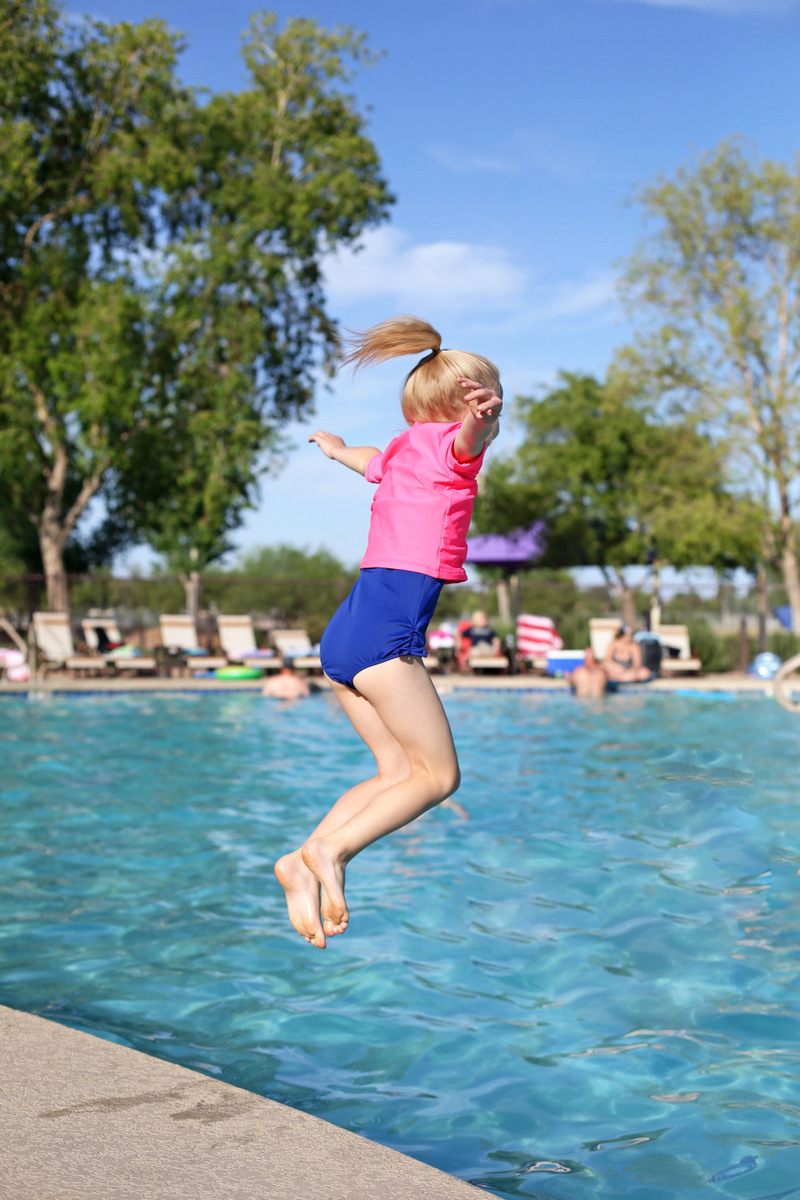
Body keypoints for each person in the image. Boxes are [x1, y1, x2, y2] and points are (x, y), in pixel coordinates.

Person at [274, 315, 502, 949]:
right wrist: (485, 418)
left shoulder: (401, 451)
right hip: (385, 633)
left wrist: (334, 447)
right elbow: (472, 440)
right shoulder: (455, 450)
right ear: (461, 402)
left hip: (345, 633)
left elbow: (365, 460)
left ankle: (300, 862)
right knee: (438, 777)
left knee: (396, 769)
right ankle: (334, 850)